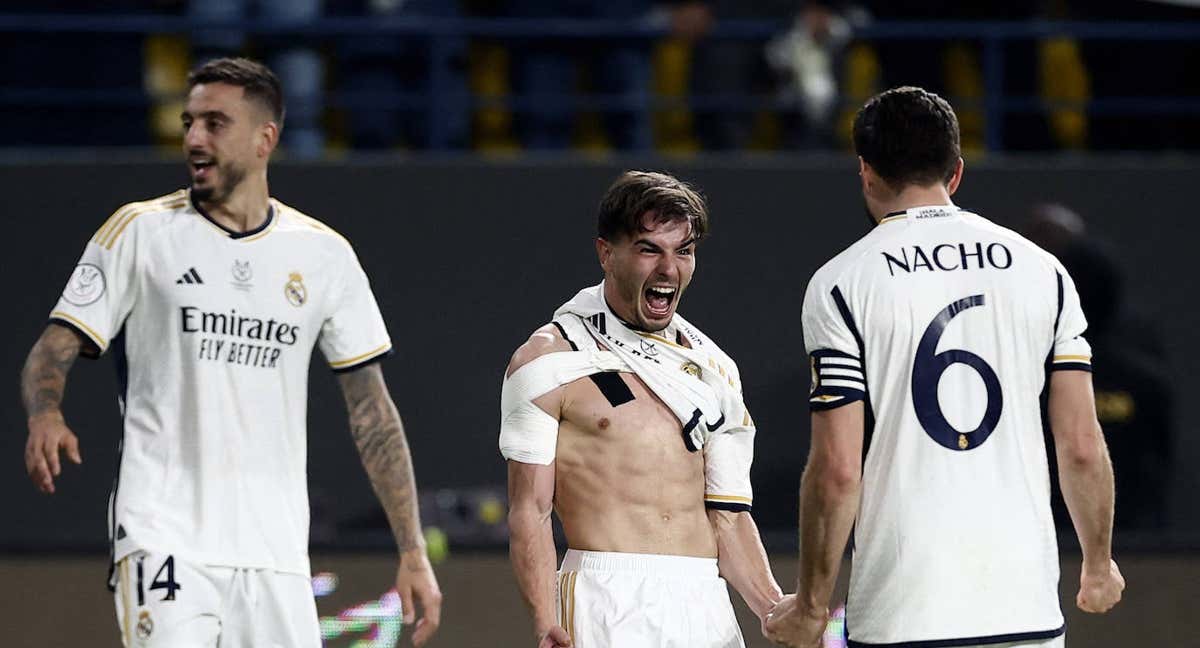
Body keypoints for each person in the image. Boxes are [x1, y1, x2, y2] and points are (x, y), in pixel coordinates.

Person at [19, 58, 441, 647]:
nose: (194, 137)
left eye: (215, 123)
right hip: (163, 535)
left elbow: (372, 413)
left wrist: (412, 549)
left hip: (276, 552)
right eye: (190, 121)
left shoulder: (324, 255)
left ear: (265, 138)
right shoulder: (139, 232)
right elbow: (53, 347)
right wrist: (46, 413)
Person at [764, 86, 1124, 648]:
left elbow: (837, 469)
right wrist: (1099, 563)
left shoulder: (842, 283)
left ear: (865, 171)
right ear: (956, 172)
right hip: (1023, 611)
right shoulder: (1044, 272)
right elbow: (1080, 442)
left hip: (904, 614)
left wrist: (812, 606)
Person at [502, 170, 782, 647]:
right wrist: (544, 616)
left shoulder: (715, 370)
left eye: (684, 251)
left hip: (704, 603)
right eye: (650, 249)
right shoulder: (548, 359)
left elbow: (729, 515)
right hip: (604, 598)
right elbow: (530, 508)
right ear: (606, 253)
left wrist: (773, 609)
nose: (668, 269)